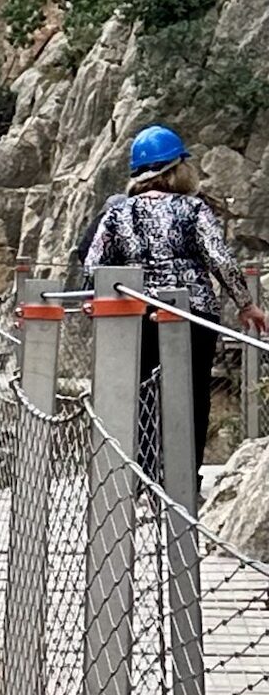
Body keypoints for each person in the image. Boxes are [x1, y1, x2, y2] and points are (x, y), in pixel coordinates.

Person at [84, 124, 269, 465]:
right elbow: (220, 259)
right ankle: (186, 480)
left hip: (136, 314)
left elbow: (93, 265)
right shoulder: (193, 209)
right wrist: (247, 305)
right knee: (193, 395)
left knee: (141, 393)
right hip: (192, 315)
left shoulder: (117, 213)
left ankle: (144, 474)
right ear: (176, 169)